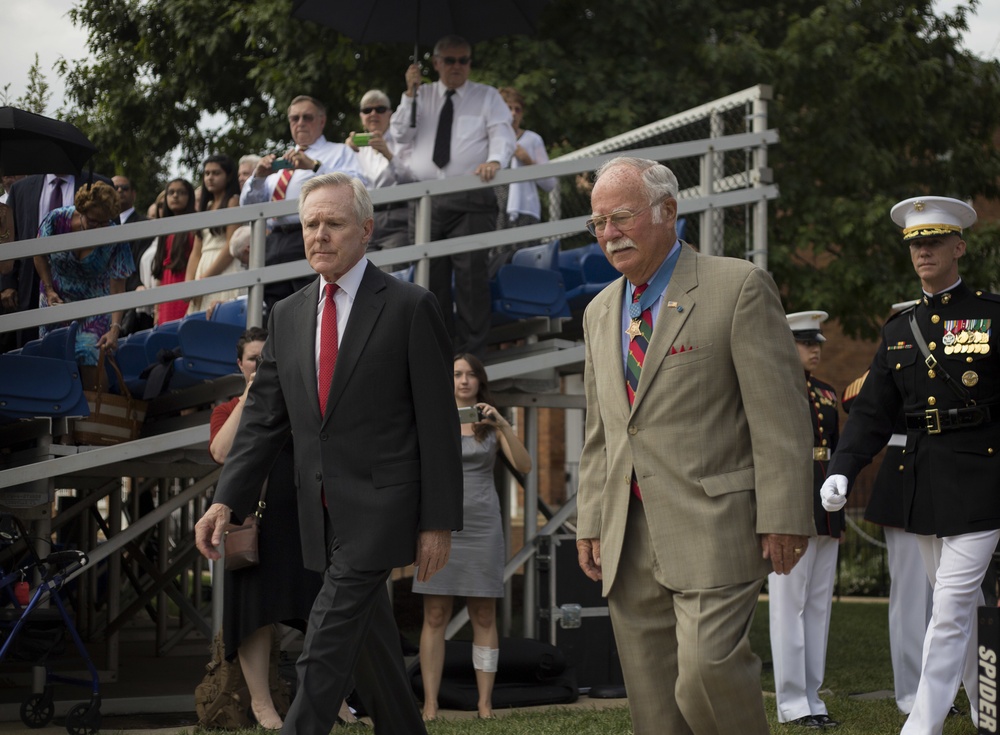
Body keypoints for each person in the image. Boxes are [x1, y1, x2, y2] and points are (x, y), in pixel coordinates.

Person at [194, 172, 463, 735]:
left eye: (333, 223)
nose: (319, 234)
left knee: (325, 637)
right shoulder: (288, 315)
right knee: (371, 646)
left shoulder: (411, 306)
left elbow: (438, 427)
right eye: (310, 223)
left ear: (365, 231)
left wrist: (438, 521)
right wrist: (227, 503)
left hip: (382, 506)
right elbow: (264, 420)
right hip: (314, 512)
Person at [574, 156, 814, 735]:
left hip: (715, 522)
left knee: (706, 671)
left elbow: (780, 417)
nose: (609, 234)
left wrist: (785, 516)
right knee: (654, 704)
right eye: (598, 224)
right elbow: (602, 431)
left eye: (622, 218)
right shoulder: (598, 311)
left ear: (668, 212)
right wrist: (590, 521)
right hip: (627, 535)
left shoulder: (738, 287)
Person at [821, 196, 994, 735]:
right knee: (957, 614)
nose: (924, 251)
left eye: (935, 242)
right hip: (924, 481)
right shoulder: (899, 331)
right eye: (916, 244)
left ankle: (922, 724)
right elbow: (873, 411)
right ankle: (990, 710)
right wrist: (843, 468)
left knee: (948, 607)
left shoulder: (991, 316)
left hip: (983, 478)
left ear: (958, 247)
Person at [209, 326, 357, 729]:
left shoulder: (299, 401)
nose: (259, 364)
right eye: (253, 359)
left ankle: (334, 700)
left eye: (265, 359)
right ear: (240, 365)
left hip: (305, 518)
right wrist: (252, 398)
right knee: (254, 613)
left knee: (321, 609)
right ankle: (263, 707)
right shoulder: (228, 408)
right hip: (252, 523)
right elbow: (222, 452)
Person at [414, 352, 531, 721]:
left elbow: (525, 466)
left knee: (484, 613)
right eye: (456, 374)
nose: (464, 381)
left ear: (480, 381)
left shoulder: (491, 422)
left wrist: (501, 426)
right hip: (439, 522)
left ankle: (485, 703)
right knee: (434, 614)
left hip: (483, 525)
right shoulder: (432, 417)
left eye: (470, 375)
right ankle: (430, 704)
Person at [390, 35, 515, 356]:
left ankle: (472, 354)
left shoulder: (486, 96)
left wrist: (496, 160)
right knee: (430, 281)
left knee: (472, 276)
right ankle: (437, 353)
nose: (457, 66)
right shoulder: (421, 95)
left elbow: (503, 133)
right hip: (426, 199)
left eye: (464, 60)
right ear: (435, 64)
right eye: (450, 60)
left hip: (470, 196)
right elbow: (399, 134)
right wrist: (409, 93)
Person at [768, 310, 843, 729]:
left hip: (824, 504)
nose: (814, 349)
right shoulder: (775, 389)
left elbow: (832, 448)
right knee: (788, 606)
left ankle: (813, 697)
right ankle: (792, 701)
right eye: (805, 342)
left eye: (816, 343)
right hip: (791, 504)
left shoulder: (828, 393)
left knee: (817, 607)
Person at [240, 95, 365, 309]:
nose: (300, 123)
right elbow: (248, 207)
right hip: (274, 240)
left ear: (322, 121)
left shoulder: (338, 152)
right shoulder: (282, 162)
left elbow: (357, 187)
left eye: (307, 117)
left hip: (311, 235)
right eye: (294, 118)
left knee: (310, 305)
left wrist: (315, 167)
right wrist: (258, 177)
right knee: (275, 309)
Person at [32, 181, 134, 389]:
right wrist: (49, 289)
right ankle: (60, 413)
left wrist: (115, 328)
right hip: (56, 298)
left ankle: (95, 414)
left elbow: (118, 286)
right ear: (81, 210)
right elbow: (38, 253)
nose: (97, 227)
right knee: (54, 354)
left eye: (103, 222)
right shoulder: (57, 219)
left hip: (94, 303)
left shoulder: (114, 235)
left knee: (89, 351)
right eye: (92, 221)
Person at [2, 171, 112, 350]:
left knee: (85, 354)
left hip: (84, 289)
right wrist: (7, 282)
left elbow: (112, 243)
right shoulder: (20, 189)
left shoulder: (99, 184)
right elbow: (9, 239)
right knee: (34, 355)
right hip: (31, 288)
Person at [490, 87, 556, 275]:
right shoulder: (491, 141)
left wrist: (528, 161)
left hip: (525, 213)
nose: (513, 113)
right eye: (508, 108)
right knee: (497, 265)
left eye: (517, 109)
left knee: (526, 265)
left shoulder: (532, 139)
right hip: (497, 212)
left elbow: (550, 183)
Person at [347, 89, 416, 256]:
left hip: (396, 217)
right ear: (361, 117)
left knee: (395, 275)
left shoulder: (403, 142)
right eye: (367, 110)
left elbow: (413, 180)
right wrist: (348, 154)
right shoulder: (354, 148)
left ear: (390, 114)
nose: (373, 114)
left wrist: (389, 156)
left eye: (380, 109)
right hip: (362, 220)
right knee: (364, 276)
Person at [187, 154, 245, 313]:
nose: (210, 178)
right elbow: (196, 251)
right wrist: (189, 283)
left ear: (228, 176)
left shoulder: (233, 201)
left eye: (216, 173)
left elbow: (230, 246)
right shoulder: (207, 207)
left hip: (223, 268)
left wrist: (204, 280)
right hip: (203, 268)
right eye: (207, 173)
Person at [151, 178, 197, 325]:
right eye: (171, 193)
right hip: (166, 287)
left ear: (190, 197)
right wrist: (157, 308)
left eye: (181, 192)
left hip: (184, 285)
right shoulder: (164, 228)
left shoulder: (195, 225)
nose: (175, 196)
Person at [114, 174, 155, 335]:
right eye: (115, 188)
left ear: (133, 193)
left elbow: (143, 260)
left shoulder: (145, 225)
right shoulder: (100, 226)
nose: (119, 191)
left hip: (134, 296)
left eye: (124, 188)